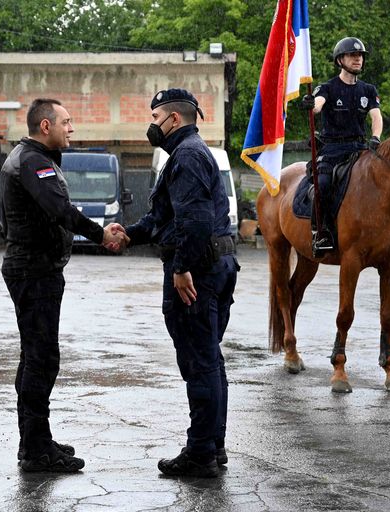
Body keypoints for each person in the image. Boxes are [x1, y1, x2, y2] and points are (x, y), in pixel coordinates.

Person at [1, 98, 127, 473]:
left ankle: (35, 440)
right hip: (33, 271)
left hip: (37, 269)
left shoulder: (36, 157)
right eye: (66, 123)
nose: (71, 129)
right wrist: (100, 234)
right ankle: (37, 451)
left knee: (36, 358)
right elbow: (61, 211)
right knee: (41, 359)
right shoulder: (32, 161)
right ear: (45, 126)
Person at [122, 89, 238, 478]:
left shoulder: (187, 156)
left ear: (173, 119)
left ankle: (201, 452)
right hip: (215, 265)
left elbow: (196, 221)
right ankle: (213, 445)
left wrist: (182, 268)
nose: (151, 125)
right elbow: (162, 218)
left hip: (198, 272)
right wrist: (128, 235)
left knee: (200, 362)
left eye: (155, 117)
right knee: (210, 359)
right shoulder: (187, 154)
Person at [301, 36, 383, 256]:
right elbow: (318, 105)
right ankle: (321, 232)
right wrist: (312, 104)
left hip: (360, 149)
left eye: (360, 56)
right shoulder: (327, 87)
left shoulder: (368, 89)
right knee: (324, 185)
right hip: (332, 151)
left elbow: (376, 116)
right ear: (340, 60)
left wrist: (375, 137)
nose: (358, 60)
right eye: (352, 56)